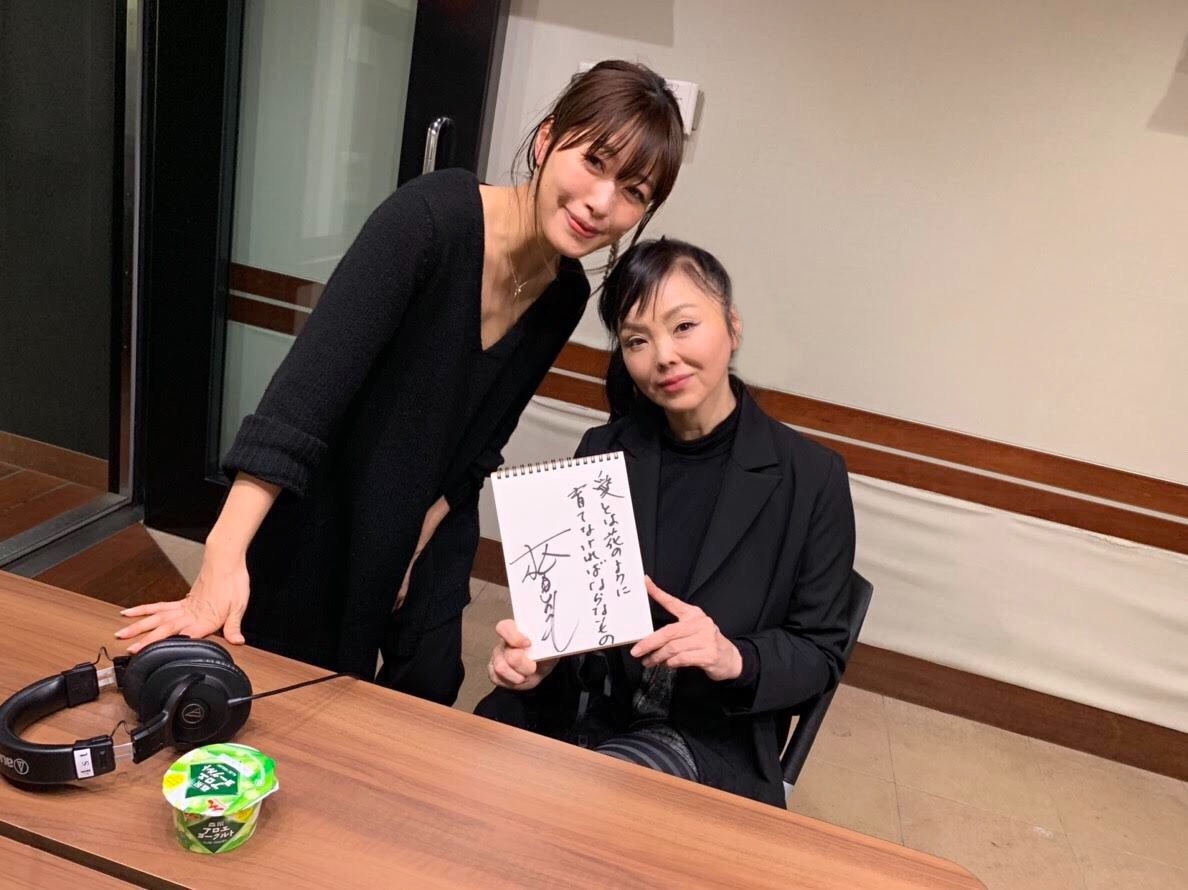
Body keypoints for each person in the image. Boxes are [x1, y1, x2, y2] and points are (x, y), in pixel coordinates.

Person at [115, 62, 686, 706]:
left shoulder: (566, 294)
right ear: (547, 139)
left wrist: (417, 537)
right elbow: (302, 399)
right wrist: (222, 553)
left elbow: (484, 441)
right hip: (334, 493)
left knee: (428, 689)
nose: (602, 202)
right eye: (594, 161)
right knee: (298, 688)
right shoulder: (430, 218)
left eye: (633, 191)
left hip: (432, 504)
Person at [476, 238, 856, 807]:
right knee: (471, 768)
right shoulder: (604, 449)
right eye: (637, 340)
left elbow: (819, 653)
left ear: (732, 325)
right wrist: (539, 660)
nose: (663, 356)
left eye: (683, 327)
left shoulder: (812, 477)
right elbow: (574, 618)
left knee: (575, 803)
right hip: (588, 708)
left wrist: (732, 656)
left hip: (708, 737)